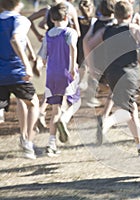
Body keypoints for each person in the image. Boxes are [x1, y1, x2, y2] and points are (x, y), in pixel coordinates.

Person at [85, 0, 140, 155]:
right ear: (130, 14)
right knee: (127, 111)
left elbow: (89, 44)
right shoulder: (133, 28)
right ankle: (107, 122)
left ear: (114, 14)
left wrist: (91, 66)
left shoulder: (106, 30)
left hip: (111, 74)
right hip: (128, 73)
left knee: (131, 107)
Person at [38, 3, 79, 156]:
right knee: (76, 101)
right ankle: (65, 118)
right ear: (67, 17)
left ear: (51, 18)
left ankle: (51, 144)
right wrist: (72, 67)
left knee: (55, 109)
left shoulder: (48, 35)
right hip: (66, 72)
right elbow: (73, 48)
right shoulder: (70, 32)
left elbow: (42, 57)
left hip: (51, 75)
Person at [0, 0, 40, 159]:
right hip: (17, 73)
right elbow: (16, 39)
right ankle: (27, 142)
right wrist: (27, 65)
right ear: (18, 3)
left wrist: (30, 51)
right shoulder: (21, 20)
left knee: (2, 107)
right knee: (33, 103)